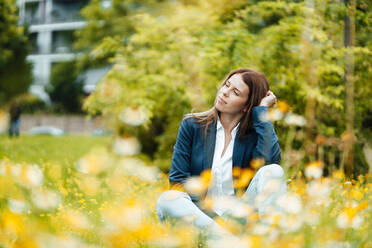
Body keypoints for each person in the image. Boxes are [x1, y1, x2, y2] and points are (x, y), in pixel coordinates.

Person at [156, 68, 286, 236]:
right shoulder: (192, 125)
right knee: (168, 199)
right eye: (226, 85)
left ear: (247, 106)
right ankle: (229, 241)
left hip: (240, 217)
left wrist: (262, 111)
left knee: (274, 171)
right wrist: (216, 224)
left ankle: (271, 241)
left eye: (235, 92)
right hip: (201, 219)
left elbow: (269, 163)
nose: (225, 92)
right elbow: (178, 182)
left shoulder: (257, 134)